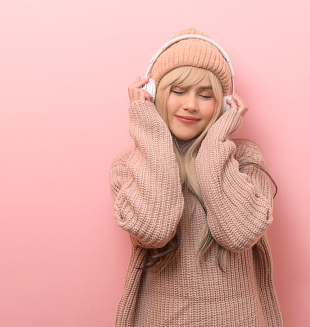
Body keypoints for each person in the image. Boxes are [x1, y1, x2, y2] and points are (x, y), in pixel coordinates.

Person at [108, 27, 283, 326]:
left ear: (225, 104)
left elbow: (239, 234)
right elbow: (154, 229)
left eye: (206, 95)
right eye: (178, 91)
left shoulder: (245, 159)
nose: (190, 104)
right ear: (152, 95)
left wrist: (216, 142)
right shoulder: (128, 167)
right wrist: (148, 127)